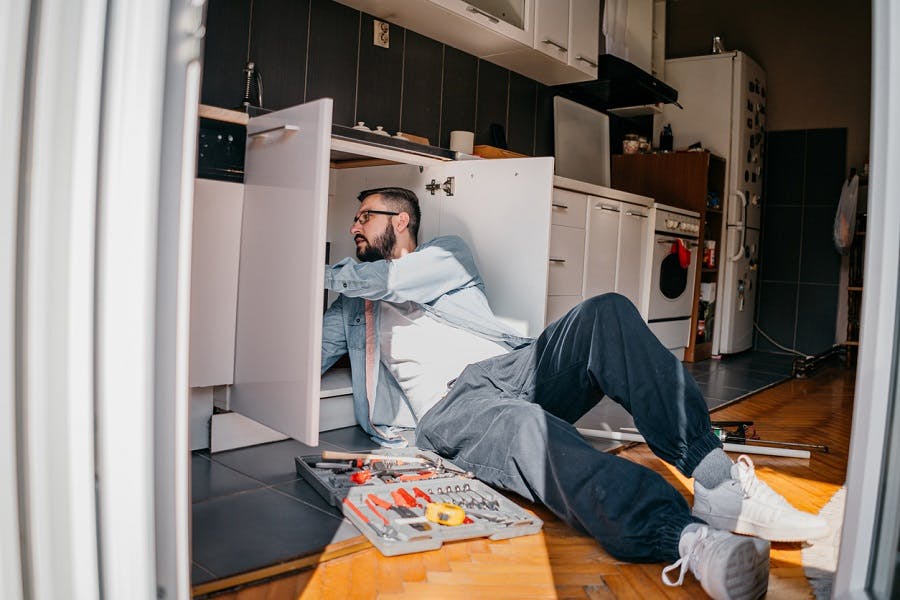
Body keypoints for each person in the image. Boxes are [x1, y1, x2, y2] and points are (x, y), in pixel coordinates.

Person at [321, 187, 828, 600]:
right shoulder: (351, 309)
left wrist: (320, 272)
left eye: (364, 217)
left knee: (606, 310)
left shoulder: (444, 254)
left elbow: (389, 280)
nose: (353, 229)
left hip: (510, 368)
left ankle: (717, 482)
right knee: (526, 428)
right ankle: (689, 540)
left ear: (401, 220)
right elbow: (306, 350)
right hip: (453, 409)